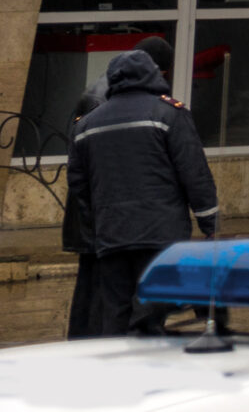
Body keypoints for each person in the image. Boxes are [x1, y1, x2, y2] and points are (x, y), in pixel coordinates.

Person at [67, 45, 218, 337]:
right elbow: (194, 173)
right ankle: (144, 357)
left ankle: (116, 360)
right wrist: (210, 223)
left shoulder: (87, 125)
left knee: (115, 312)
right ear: (154, 75)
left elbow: (79, 185)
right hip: (160, 235)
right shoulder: (169, 114)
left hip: (112, 237)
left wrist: (98, 222)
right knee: (149, 312)